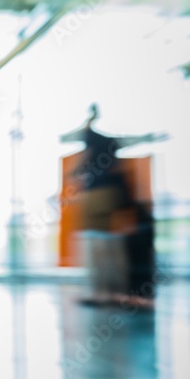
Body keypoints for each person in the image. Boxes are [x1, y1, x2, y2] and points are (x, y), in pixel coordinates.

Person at [60, 105, 161, 309]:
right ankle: (115, 293)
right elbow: (131, 142)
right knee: (111, 242)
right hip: (115, 195)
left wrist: (74, 174)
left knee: (93, 242)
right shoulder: (111, 142)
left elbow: (79, 149)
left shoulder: (90, 136)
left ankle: (100, 293)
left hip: (96, 194)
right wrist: (149, 138)